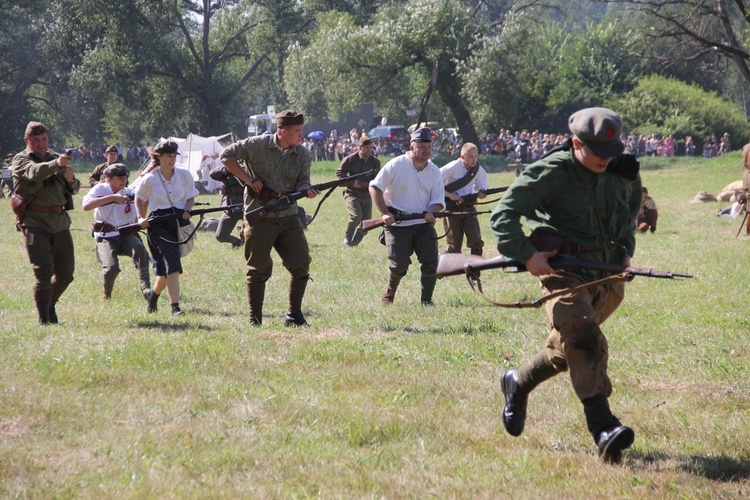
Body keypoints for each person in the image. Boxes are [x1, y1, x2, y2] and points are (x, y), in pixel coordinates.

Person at [489, 107, 642, 463]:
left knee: (568, 347)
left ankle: (517, 383)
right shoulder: (552, 171)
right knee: (584, 336)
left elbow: (630, 213)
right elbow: (503, 215)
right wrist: (528, 255)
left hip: (605, 272)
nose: (606, 159)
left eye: (611, 151)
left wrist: (626, 253)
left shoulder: (623, 168)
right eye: (597, 153)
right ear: (576, 143)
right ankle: (603, 428)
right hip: (562, 268)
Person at [220, 110, 319, 327]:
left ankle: (294, 316)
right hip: (259, 215)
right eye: (297, 131)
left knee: (301, 263)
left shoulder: (302, 154)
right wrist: (247, 179)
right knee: (257, 269)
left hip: (288, 215)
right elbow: (226, 156)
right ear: (282, 131)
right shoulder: (257, 145)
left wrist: (306, 189)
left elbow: (303, 180)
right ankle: (255, 320)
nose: (301, 136)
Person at [11, 121, 81, 325]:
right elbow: (35, 172)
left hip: (59, 221)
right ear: (27, 141)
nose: (41, 144)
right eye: (36, 140)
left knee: (66, 274)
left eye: (44, 139)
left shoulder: (55, 158)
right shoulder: (20, 159)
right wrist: (57, 165)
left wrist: (70, 179)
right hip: (35, 221)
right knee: (43, 272)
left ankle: (50, 304)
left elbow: (74, 187)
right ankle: (44, 320)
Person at [369, 127, 445, 305]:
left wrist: (431, 212)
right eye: (421, 146)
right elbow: (375, 187)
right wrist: (385, 213)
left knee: (431, 263)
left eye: (428, 147)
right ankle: (391, 290)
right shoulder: (396, 164)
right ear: (412, 147)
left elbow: (437, 200)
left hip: (423, 225)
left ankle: (426, 301)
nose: (426, 150)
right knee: (399, 265)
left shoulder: (434, 171)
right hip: (397, 224)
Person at [134, 140, 199, 316]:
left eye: (173, 156)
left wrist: (187, 210)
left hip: (177, 222)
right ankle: (175, 307)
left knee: (164, 273)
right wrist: (140, 217)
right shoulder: (150, 179)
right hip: (158, 225)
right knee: (173, 264)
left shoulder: (185, 175)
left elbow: (191, 197)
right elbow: (139, 198)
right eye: (168, 156)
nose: (172, 160)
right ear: (159, 157)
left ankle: (153, 296)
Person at [82, 163, 153, 301]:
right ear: (108, 179)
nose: (123, 181)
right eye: (119, 178)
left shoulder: (130, 192)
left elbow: (140, 210)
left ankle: (147, 290)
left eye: (125, 178)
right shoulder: (100, 189)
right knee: (111, 268)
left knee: (140, 250)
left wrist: (143, 210)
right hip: (106, 235)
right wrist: (113, 198)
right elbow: (86, 206)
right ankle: (107, 294)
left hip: (126, 234)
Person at [440, 142, 488, 255]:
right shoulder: (452, 167)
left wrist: (481, 192)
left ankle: (474, 272)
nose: (474, 159)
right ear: (462, 157)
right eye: (471, 156)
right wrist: (450, 195)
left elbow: (481, 186)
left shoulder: (477, 169)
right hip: (452, 209)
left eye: (476, 156)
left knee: (476, 242)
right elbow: (434, 184)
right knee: (454, 248)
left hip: (469, 208)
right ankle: (434, 267)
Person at [336, 133, 381, 246]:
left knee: (367, 223)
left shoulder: (375, 162)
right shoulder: (350, 159)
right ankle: (348, 237)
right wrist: (353, 183)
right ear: (360, 148)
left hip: (367, 195)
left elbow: (378, 178)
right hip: (352, 193)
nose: (369, 150)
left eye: (371, 147)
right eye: (366, 148)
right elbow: (340, 173)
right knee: (356, 217)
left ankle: (355, 241)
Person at [209, 163, 244, 248]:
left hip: (248, 205)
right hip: (231, 207)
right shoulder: (228, 171)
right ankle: (237, 241)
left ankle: (244, 237)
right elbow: (212, 174)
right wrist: (227, 169)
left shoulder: (251, 167)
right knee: (221, 236)